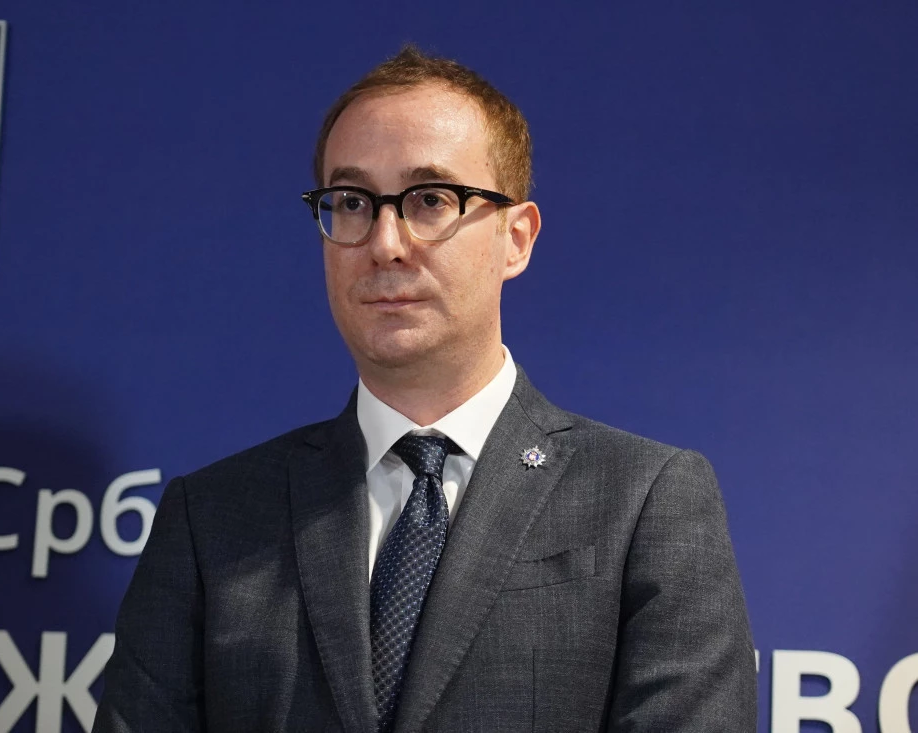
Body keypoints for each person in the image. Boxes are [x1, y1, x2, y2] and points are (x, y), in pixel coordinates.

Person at [93, 46, 757, 732]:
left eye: (431, 200)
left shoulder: (644, 500)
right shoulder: (211, 518)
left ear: (516, 238)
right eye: (352, 203)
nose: (384, 242)